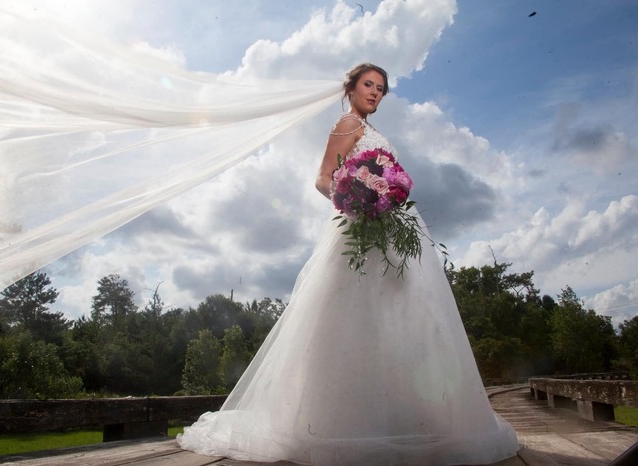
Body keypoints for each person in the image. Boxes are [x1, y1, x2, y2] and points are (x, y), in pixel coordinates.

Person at [177, 63, 519, 465]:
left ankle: (412, 419)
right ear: (351, 88)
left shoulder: (376, 132)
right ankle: (341, 425)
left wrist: (386, 196)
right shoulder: (346, 123)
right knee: (352, 319)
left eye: (381, 88)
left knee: (407, 319)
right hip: (360, 229)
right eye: (368, 85)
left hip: (396, 233)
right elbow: (324, 178)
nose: (375, 92)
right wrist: (357, 200)